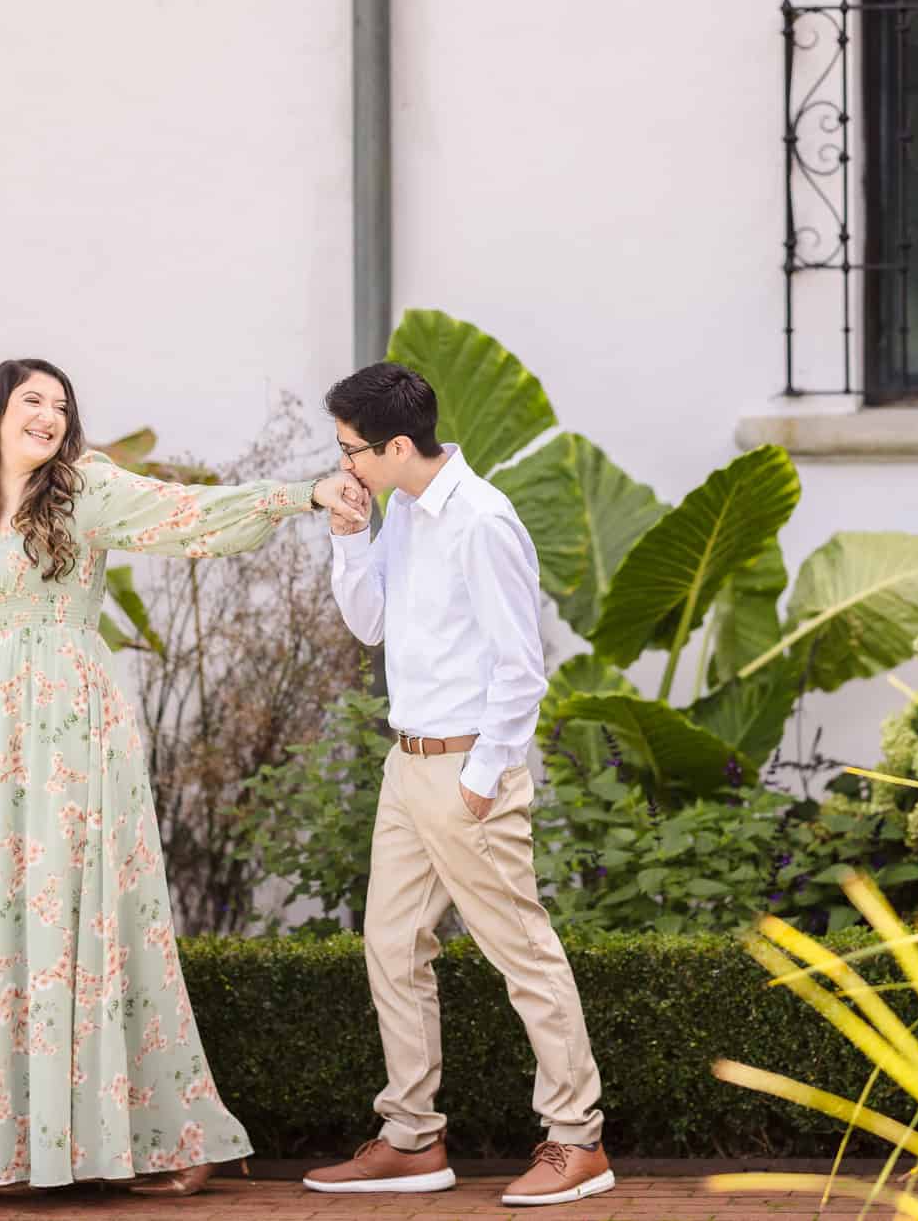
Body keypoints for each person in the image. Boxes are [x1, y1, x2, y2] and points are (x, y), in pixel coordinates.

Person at [0, 358, 364, 1196]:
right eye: (30, 401)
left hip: (73, 729)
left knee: (95, 919)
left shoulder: (84, 487)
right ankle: (21, 1144)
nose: (48, 416)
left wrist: (300, 494)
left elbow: (185, 513)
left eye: (59, 404)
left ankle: (179, 1140)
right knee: (7, 925)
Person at [304, 361, 614, 1207]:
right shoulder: (400, 512)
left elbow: (522, 666)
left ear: (397, 444)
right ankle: (411, 1138)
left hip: (470, 769)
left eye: (352, 452)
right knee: (392, 949)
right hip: (407, 768)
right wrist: (346, 534)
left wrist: (482, 778)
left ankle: (577, 1140)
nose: (345, 468)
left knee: (524, 955)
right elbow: (370, 623)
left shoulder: (482, 521)